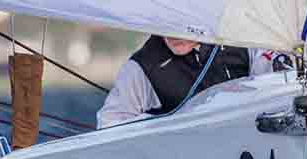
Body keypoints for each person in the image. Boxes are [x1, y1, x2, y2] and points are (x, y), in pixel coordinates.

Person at [96, 36, 276, 128]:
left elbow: (274, 87)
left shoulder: (242, 42)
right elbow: (108, 125)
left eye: (181, 23)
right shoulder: (141, 67)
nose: (173, 32)